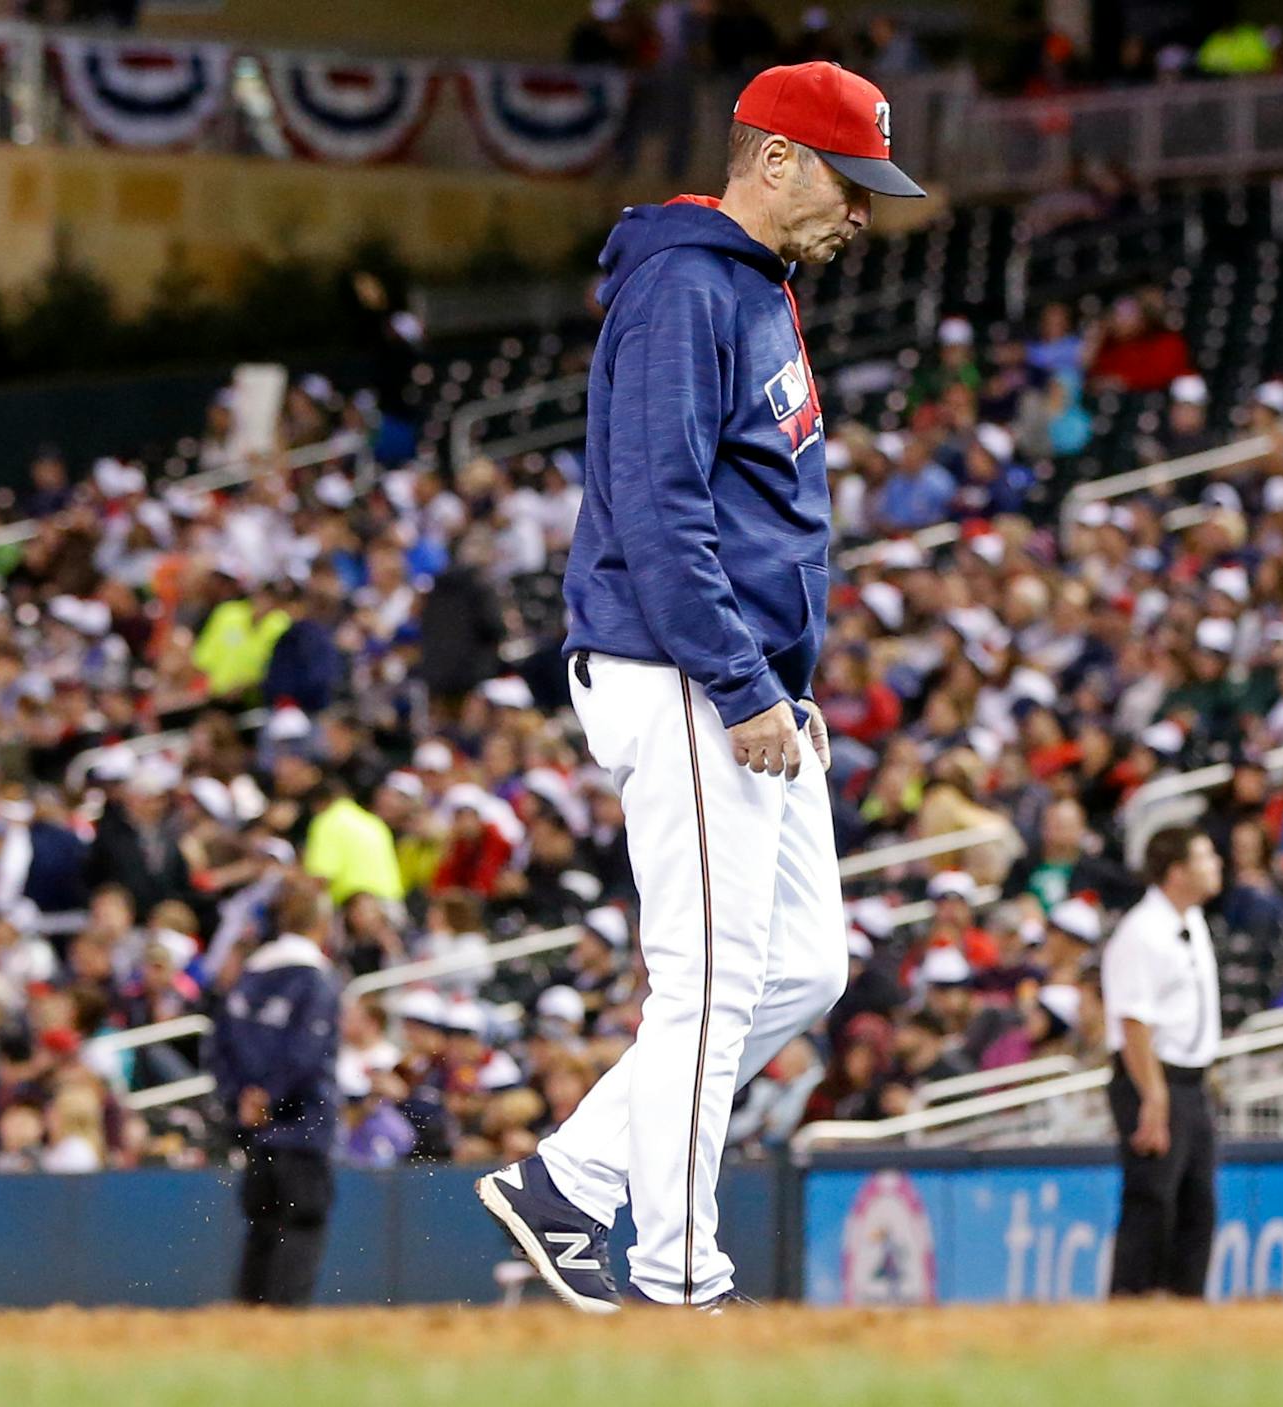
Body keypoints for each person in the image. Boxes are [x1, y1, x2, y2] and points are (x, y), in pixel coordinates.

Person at [476, 61, 924, 1315]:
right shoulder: (684, 284)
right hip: (681, 666)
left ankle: (571, 1182)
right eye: (850, 178)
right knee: (713, 982)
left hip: (736, 670)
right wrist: (739, 683)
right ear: (773, 157)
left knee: (801, 970)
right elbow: (664, 511)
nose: (862, 211)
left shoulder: (752, 288)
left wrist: (774, 677)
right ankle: (683, 1284)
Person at [1101, 826, 1223, 1300]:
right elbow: (1133, 1023)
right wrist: (1154, 1096)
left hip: (1190, 1082)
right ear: (1176, 872)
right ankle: (1133, 1305)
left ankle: (1183, 1305)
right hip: (1153, 1077)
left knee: (1197, 1204)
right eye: (1204, 856)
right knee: (1152, 1199)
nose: (1216, 864)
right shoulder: (1142, 932)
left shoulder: (1191, 921)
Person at [209, 877, 342, 1307]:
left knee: (262, 1227)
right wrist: (270, 1097)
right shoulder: (316, 981)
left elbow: (218, 1047)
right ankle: (284, 1330)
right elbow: (306, 1053)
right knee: (301, 1224)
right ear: (319, 924)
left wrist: (242, 1099)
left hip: (255, 1130)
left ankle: (247, 1323)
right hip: (300, 1126)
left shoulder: (245, 979)